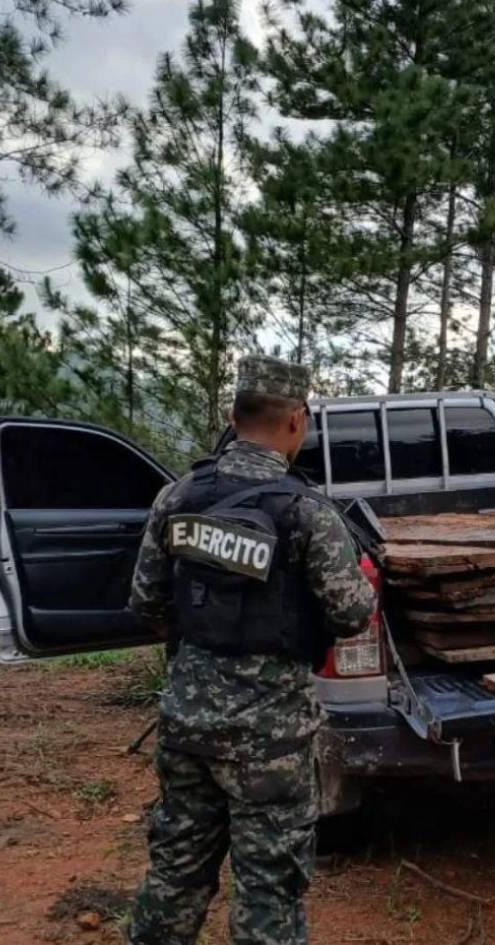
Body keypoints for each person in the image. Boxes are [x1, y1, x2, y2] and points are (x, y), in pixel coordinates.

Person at [125, 354, 377, 945]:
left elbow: (145, 603)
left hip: (186, 723)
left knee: (175, 874)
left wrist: (199, 656)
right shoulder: (307, 512)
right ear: (296, 422)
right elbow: (352, 612)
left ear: (232, 415)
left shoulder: (177, 498)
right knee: (269, 891)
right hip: (272, 741)